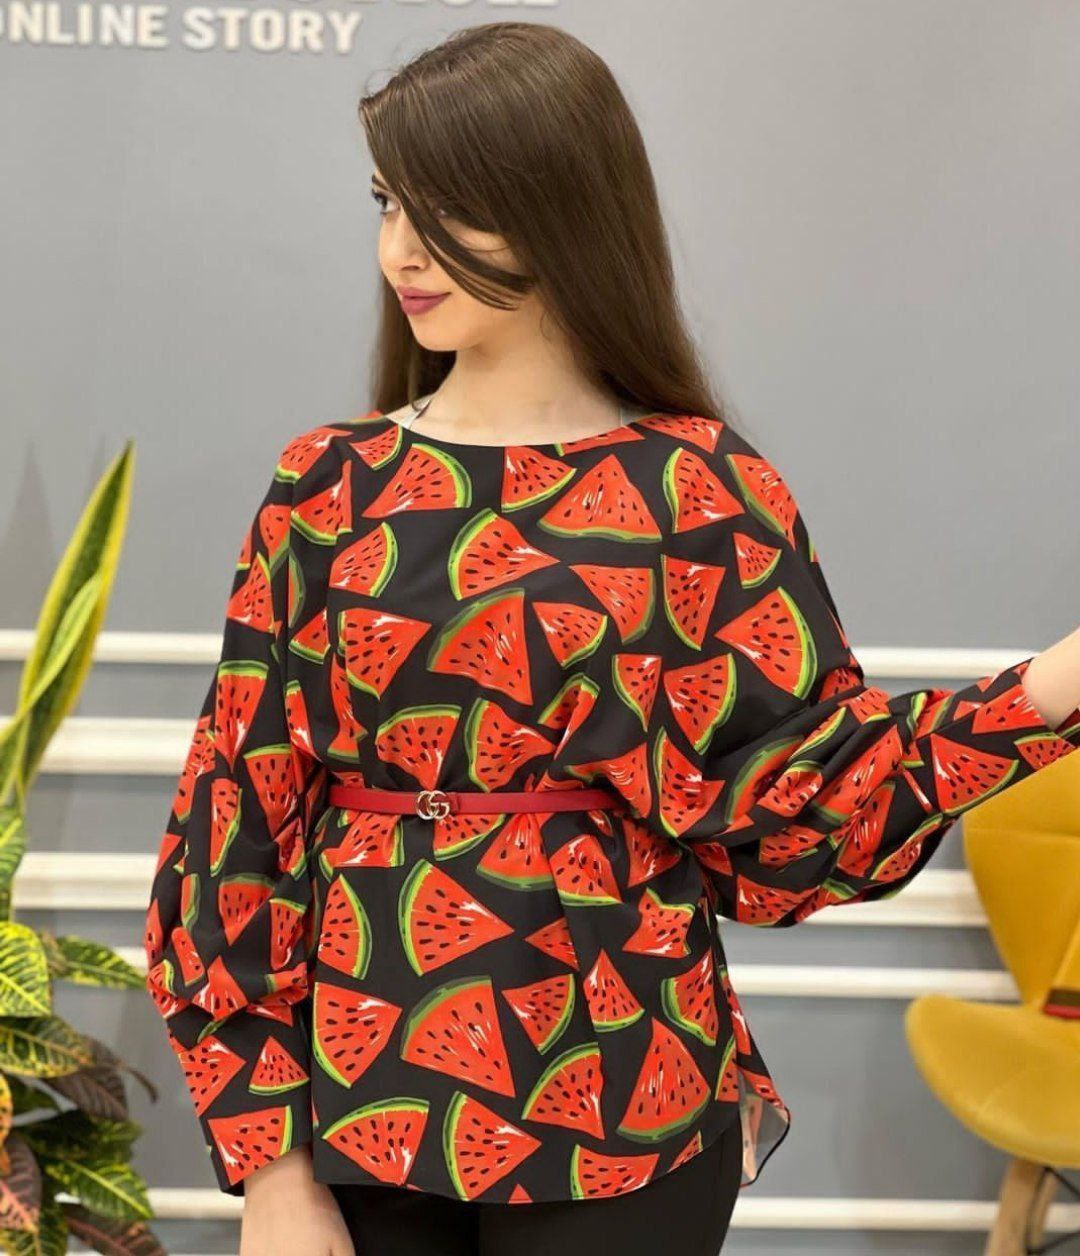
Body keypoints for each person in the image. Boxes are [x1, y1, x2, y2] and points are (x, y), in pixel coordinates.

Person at [141, 20, 1080, 1256]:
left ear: (561, 206)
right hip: (360, 1106)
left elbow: (806, 810)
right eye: (386, 202)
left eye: (448, 210)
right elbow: (234, 821)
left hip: (631, 1093)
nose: (399, 249)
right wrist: (269, 1165)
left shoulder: (701, 488)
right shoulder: (326, 485)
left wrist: (1052, 686)